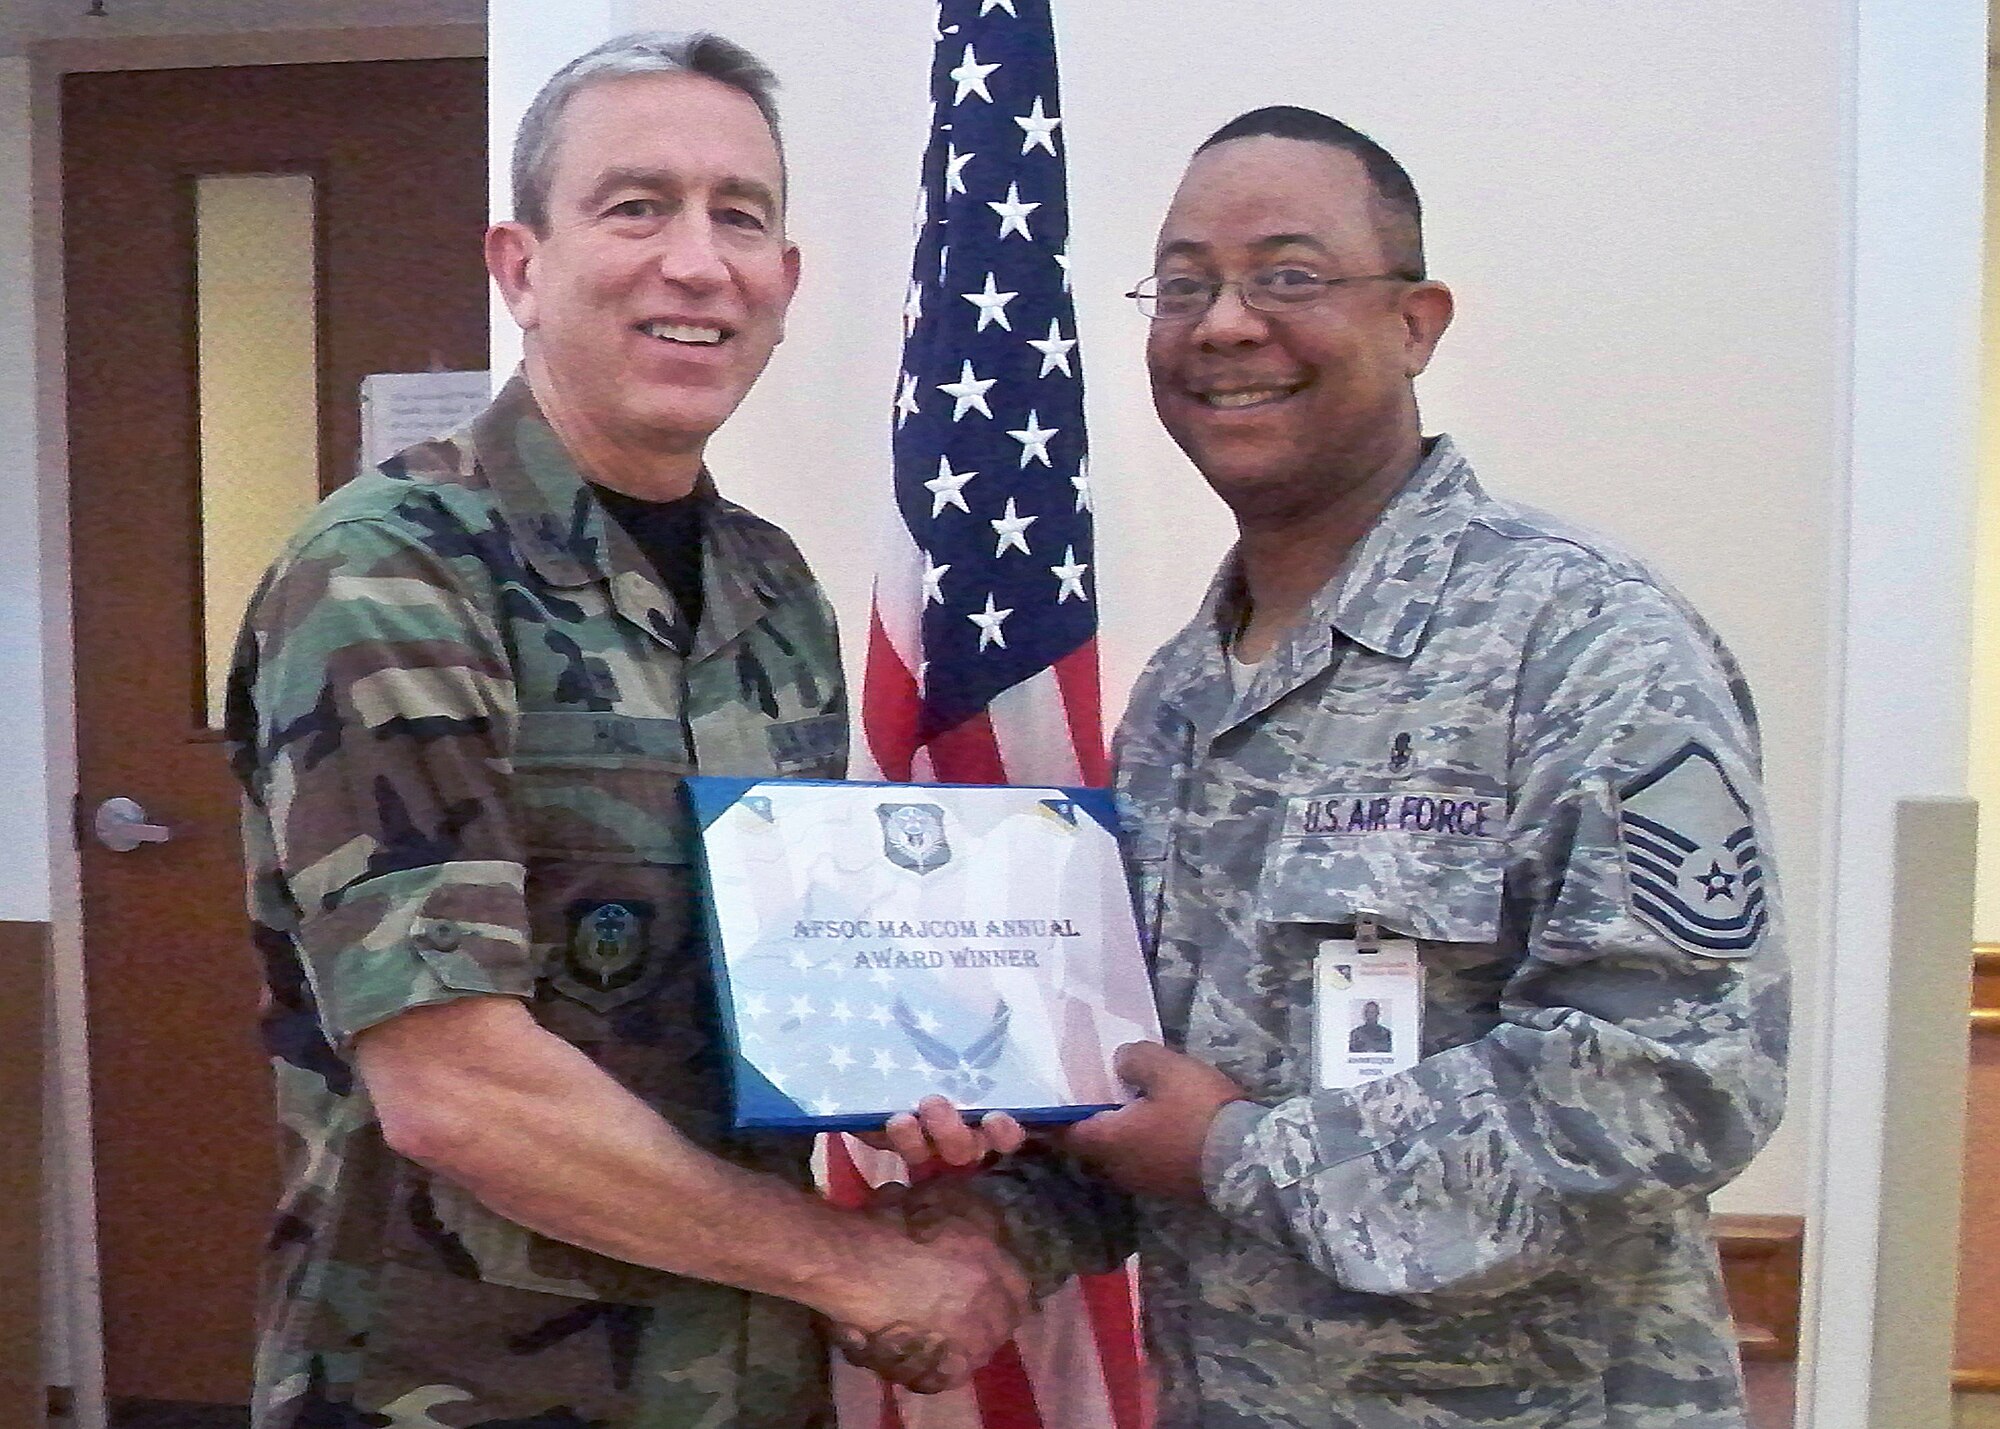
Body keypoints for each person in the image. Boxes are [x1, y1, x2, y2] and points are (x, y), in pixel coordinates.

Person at [886, 105, 1790, 1428]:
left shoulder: (1586, 639)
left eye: (1289, 276)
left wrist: (1242, 1154)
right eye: (1184, 285)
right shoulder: (1181, 699)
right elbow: (1142, 1088)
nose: (1227, 323)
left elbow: (1678, 1072)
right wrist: (987, 1209)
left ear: (1417, 322)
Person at [225, 32, 1028, 1429]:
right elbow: (456, 1084)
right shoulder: (395, 570)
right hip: (456, 1385)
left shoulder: (775, 593)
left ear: (786, 281)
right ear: (520, 265)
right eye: (636, 205)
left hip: (740, 1378)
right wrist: (852, 1265)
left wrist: (941, 1087)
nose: (698, 260)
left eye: (742, 215)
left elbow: (791, 993)